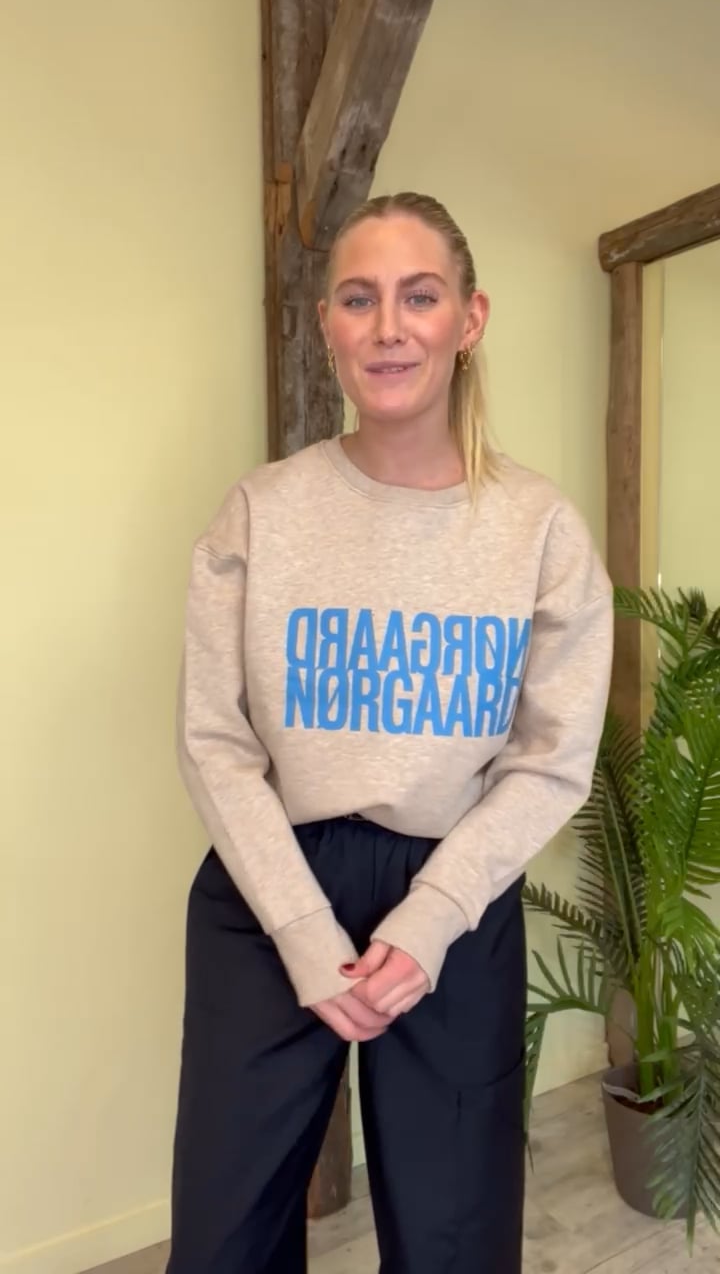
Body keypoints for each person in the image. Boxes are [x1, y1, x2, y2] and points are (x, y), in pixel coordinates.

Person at [167, 191, 613, 1274]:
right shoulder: (260, 512)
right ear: (327, 323)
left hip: (453, 890)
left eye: (420, 296)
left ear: (469, 318)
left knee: (456, 1239)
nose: (389, 327)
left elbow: (551, 758)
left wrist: (431, 917)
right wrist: (301, 928)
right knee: (225, 1238)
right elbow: (214, 740)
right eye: (359, 299)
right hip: (272, 886)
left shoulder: (540, 529)